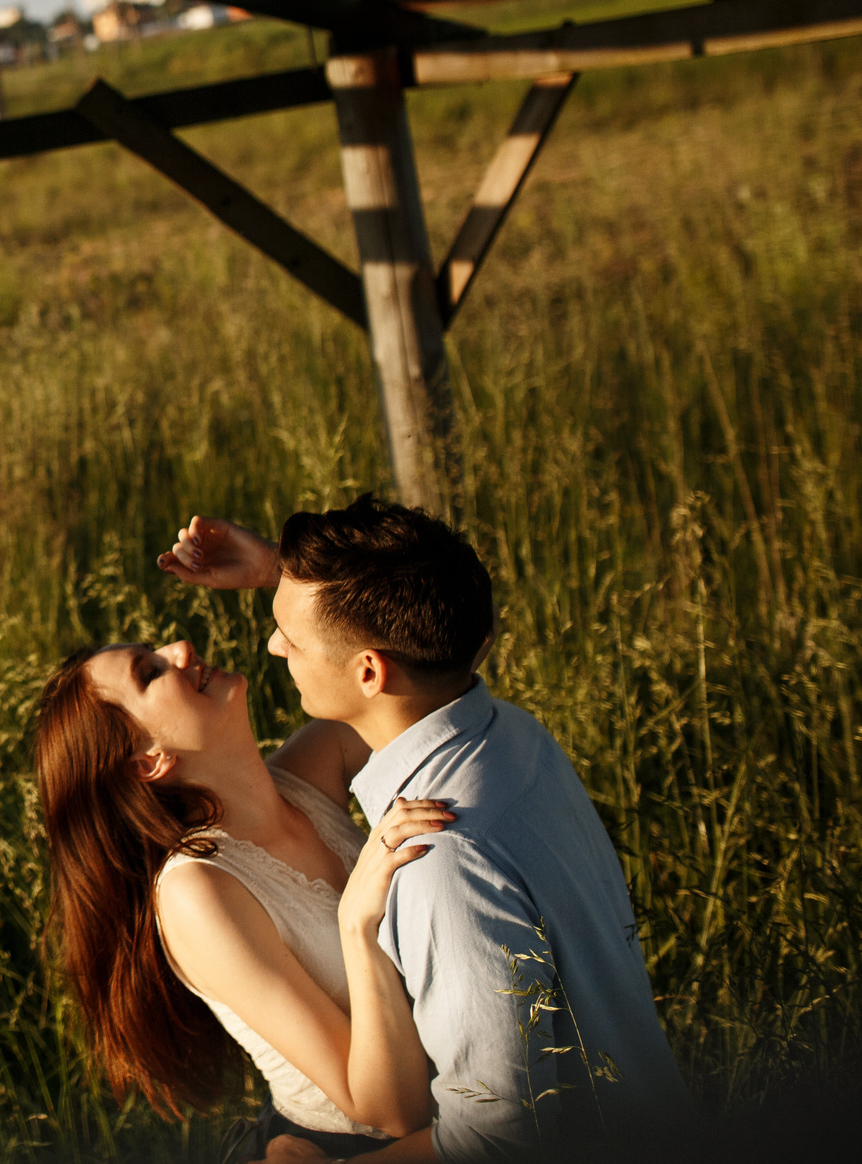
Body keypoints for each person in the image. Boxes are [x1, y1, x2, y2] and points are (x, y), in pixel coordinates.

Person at [160, 497, 697, 1161]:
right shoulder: (514, 736)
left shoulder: (440, 858)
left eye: (289, 637)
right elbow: (422, 605)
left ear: (368, 671)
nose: (275, 645)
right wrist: (283, 571)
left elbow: (498, 1138)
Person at [38, 625, 454, 1161]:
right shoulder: (197, 891)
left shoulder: (309, 767)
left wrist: (284, 585)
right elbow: (390, 1109)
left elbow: (439, 676)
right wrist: (358, 925)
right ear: (147, 762)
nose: (179, 649)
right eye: (150, 673)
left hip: (470, 1095)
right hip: (345, 1149)